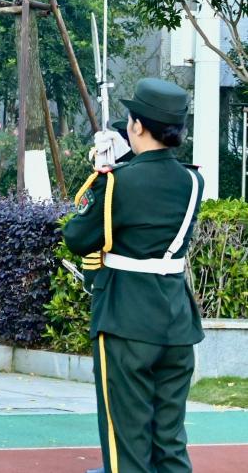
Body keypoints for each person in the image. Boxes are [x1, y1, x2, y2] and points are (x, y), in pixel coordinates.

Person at [64, 78, 204, 473]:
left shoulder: (116, 182)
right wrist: (124, 165)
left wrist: (107, 174)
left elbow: (78, 237)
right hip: (176, 322)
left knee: (127, 445)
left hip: (126, 321)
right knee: (170, 443)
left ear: (137, 126)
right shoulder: (193, 180)